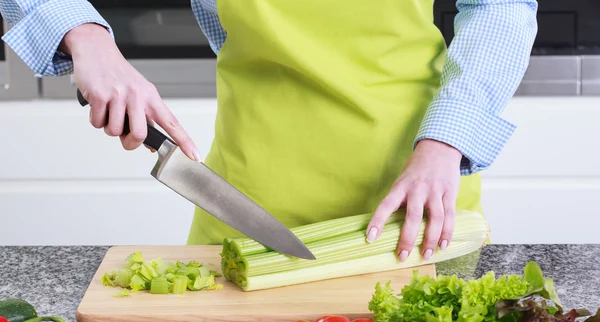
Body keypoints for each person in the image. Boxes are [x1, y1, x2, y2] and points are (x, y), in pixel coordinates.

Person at [0, 0, 537, 262]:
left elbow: (501, 4)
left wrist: (446, 141)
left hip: (417, 203)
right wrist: (85, 36)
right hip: (246, 206)